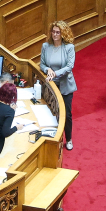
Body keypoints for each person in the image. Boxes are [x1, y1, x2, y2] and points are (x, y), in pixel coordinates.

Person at [40, 21, 77, 150]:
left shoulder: (69, 47)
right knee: (51, 113)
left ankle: (69, 139)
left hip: (65, 85)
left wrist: (55, 73)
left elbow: (69, 67)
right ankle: (54, 140)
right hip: (51, 86)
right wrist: (47, 70)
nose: (55, 34)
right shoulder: (46, 46)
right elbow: (42, 64)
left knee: (66, 114)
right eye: (53, 32)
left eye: (58, 32)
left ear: (63, 34)